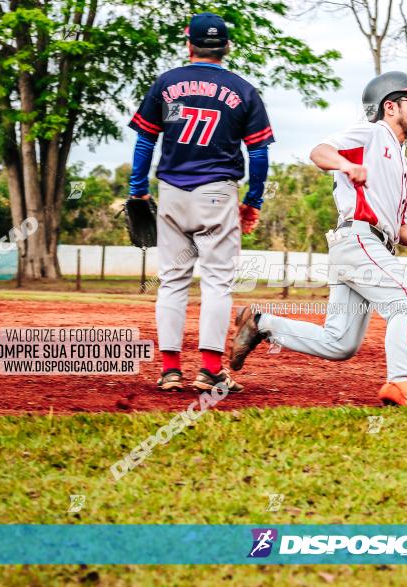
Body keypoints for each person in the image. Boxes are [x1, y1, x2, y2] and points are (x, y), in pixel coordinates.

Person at [227, 71, 407, 407]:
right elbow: (319, 152)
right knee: (406, 303)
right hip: (358, 239)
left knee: (340, 342)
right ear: (390, 107)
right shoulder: (373, 133)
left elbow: (400, 229)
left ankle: (261, 323)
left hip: (365, 244)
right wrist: (344, 165)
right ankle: (406, 384)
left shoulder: (406, 170)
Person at [127, 12, 274, 392]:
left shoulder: (166, 84)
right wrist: (253, 200)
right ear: (226, 47)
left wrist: (137, 190)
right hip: (217, 193)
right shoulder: (243, 90)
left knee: (172, 281)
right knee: (217, 283)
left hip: (173, 193)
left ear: (188, 44)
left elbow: (146, 141)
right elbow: (258, 154)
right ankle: (209, 371)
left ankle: (170, 370)